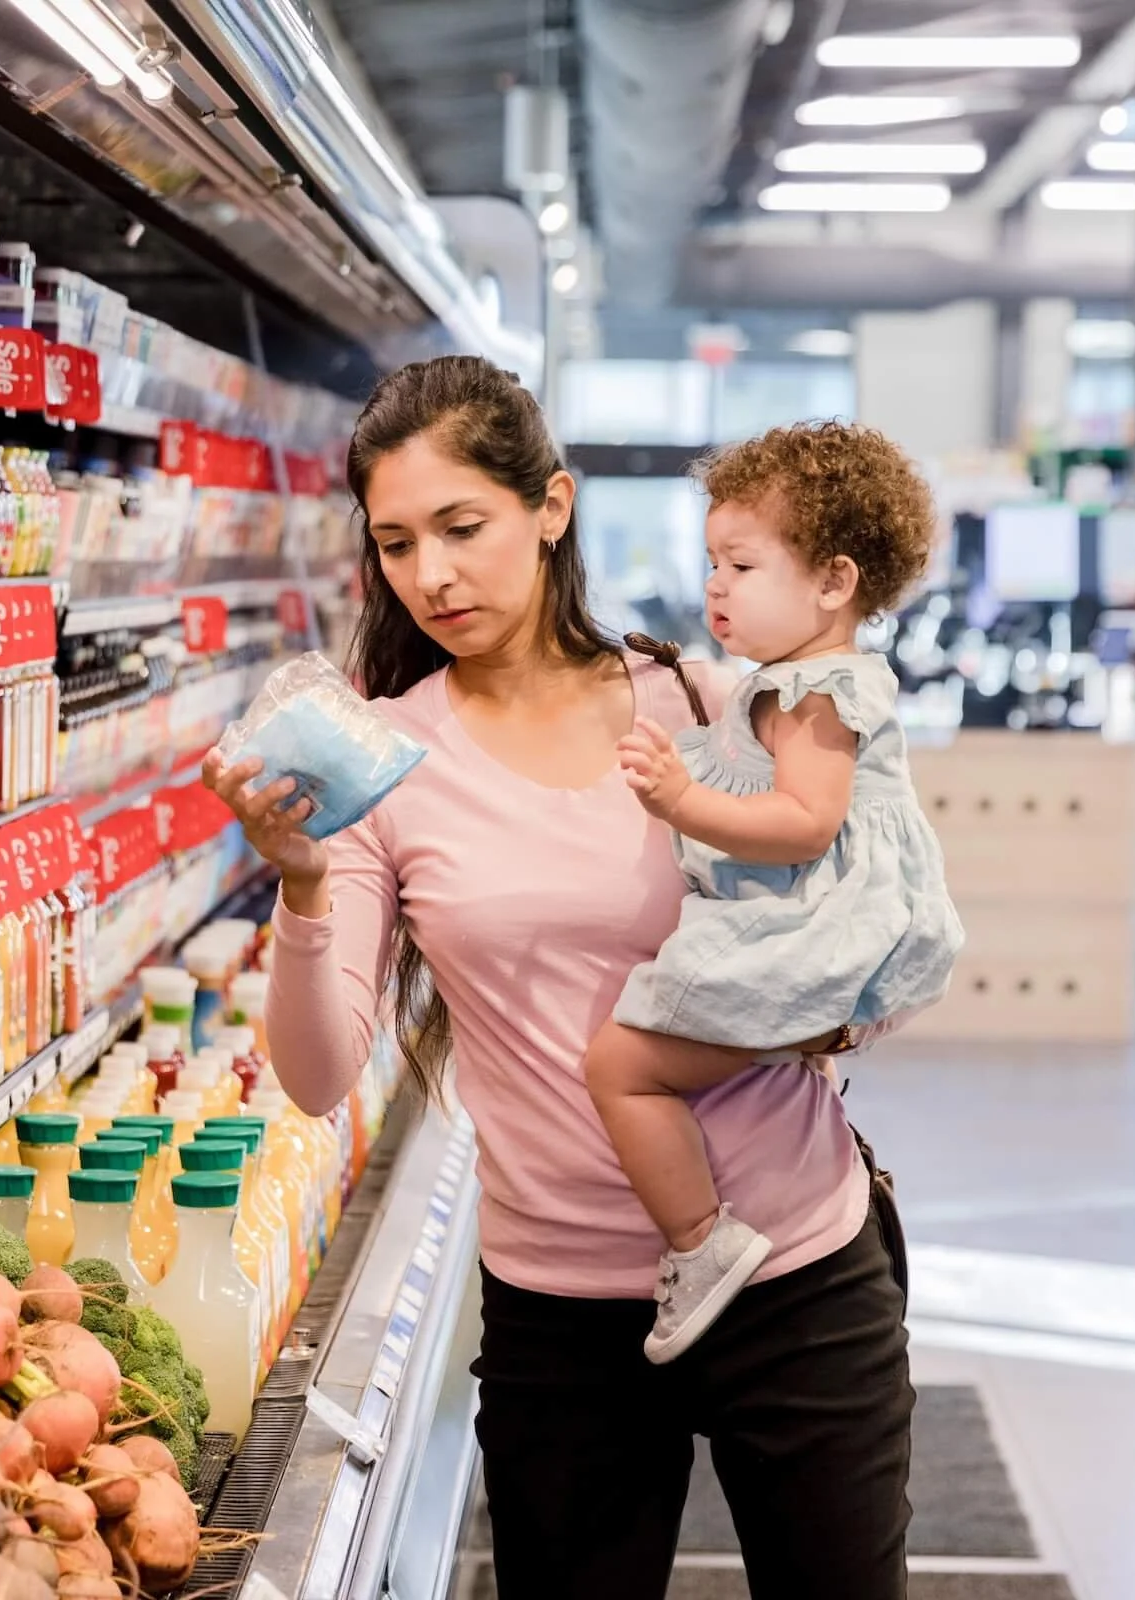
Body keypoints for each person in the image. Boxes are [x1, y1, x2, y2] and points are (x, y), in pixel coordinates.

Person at [202, 356, 918, 1600]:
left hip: (792, 1261)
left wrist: (840, 1007)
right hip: (563, 1314)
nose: (431, 574)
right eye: (397, 542)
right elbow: (319, 1078)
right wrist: (304, 884)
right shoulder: (384, 763)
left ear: (553, 505)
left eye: (463, 527)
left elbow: (850, 900)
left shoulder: (698, 696)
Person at [586, 423, 962, 1363]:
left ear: (834, 582)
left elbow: (806, 823)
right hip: (818, 922)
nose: (715, 585)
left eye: (742, 564)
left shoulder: (818, 694)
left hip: (816, 927)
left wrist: (683, 798)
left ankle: (700, 1240)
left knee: (622, 1068)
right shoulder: (789, 680)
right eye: (712, 561)